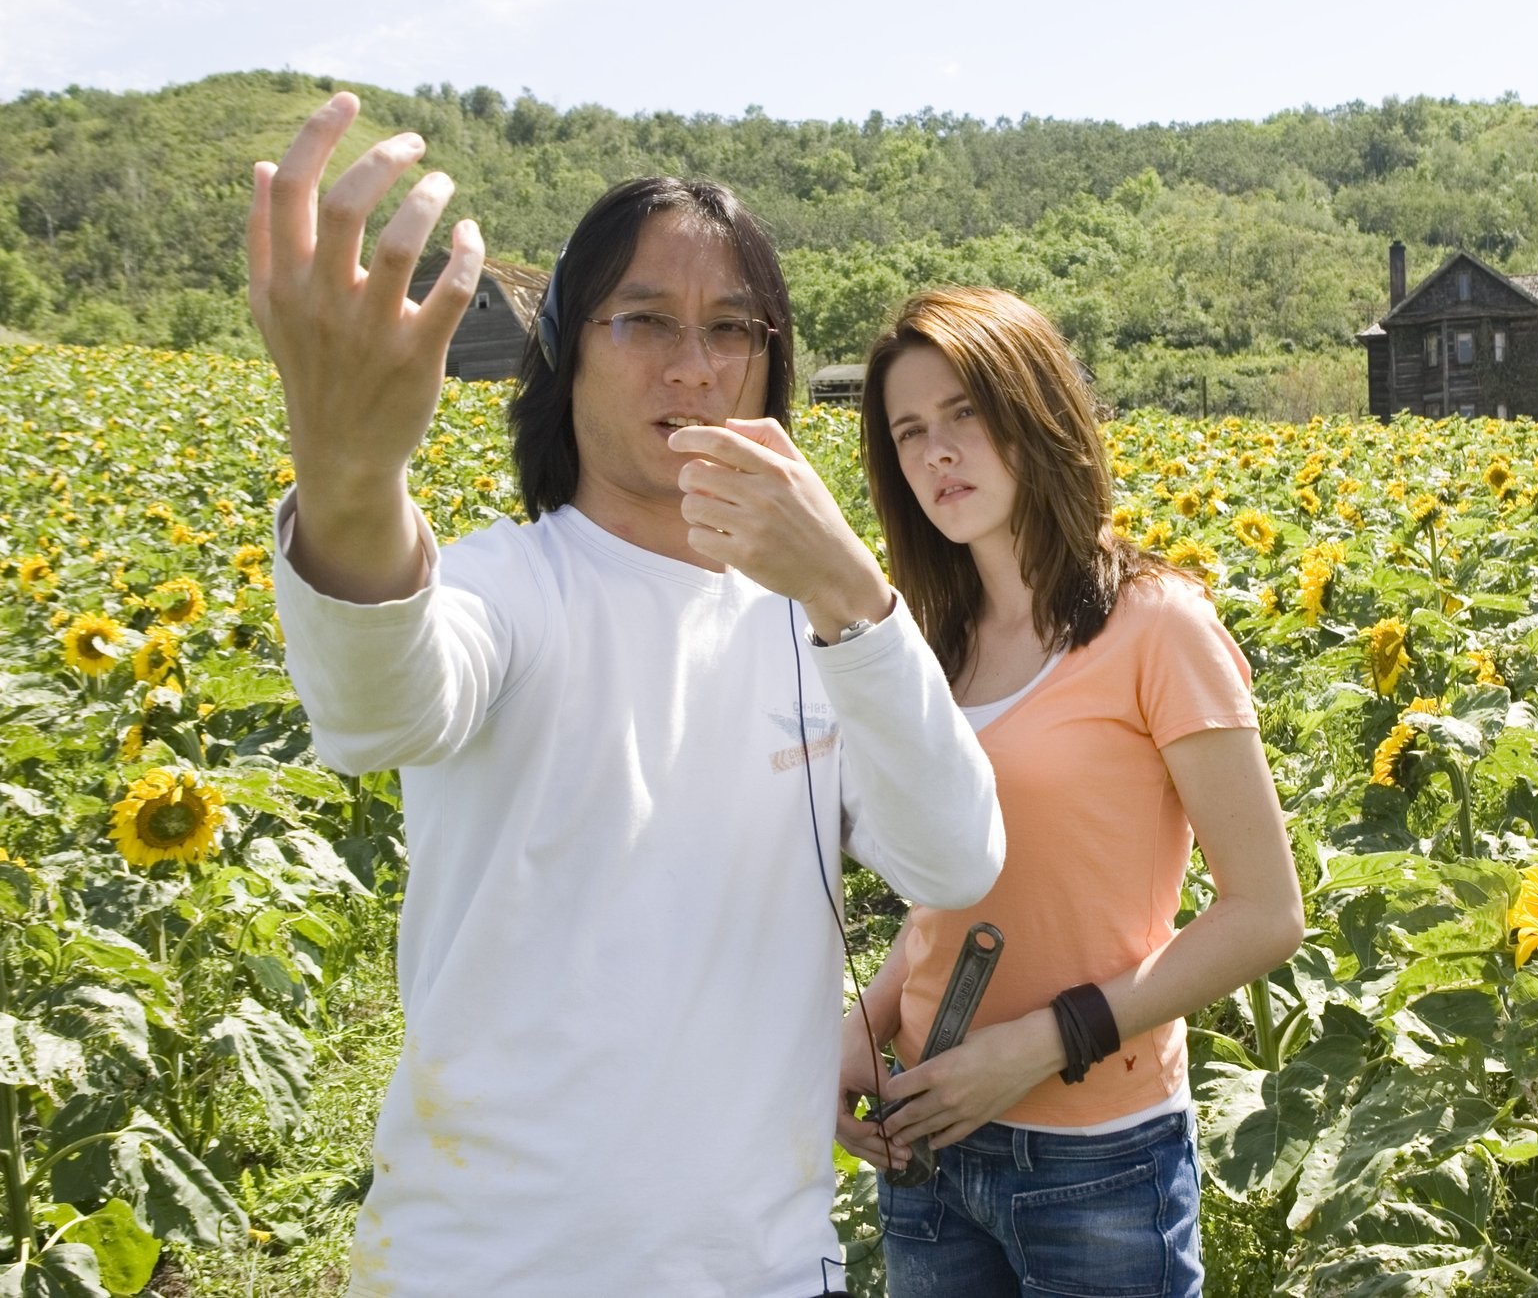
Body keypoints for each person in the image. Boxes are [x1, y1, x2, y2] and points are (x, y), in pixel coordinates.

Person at [247, 94, 1003, 1298]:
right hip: (485, 1267)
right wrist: (347, 478)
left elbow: (953, 859)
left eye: (731, 329)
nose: (693, 369)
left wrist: (850, 589)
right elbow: (379, 708)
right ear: (566, 355)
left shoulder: (818, 622)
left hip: (762, 1265)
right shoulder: (508, 585)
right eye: (642, 322)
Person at [834, 287, 1305, 1296]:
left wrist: (1033, 1049)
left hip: (1093, 1158)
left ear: (1034, 411)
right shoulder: (931, 640)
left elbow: (1266, 916)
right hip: (922, 1135)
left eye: (963, 412)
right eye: (909, 432)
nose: (935, 454)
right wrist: (865, 1027)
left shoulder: (1156, 627)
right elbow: (946, 906)